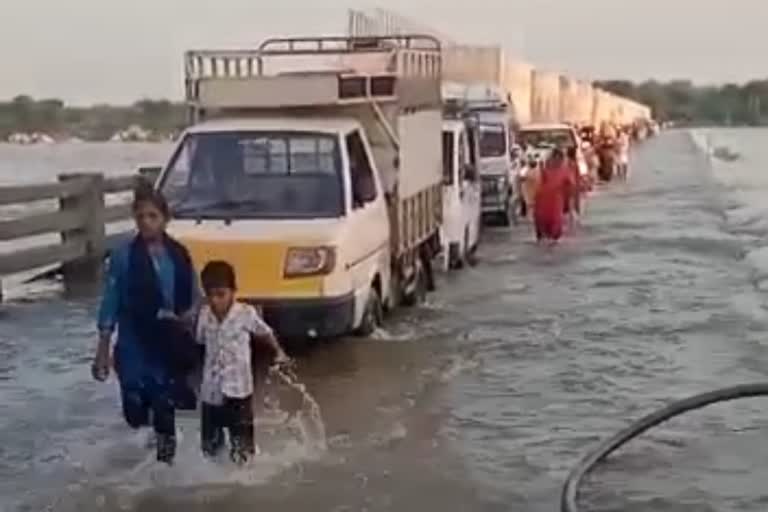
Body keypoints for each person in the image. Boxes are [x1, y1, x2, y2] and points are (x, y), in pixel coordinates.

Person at [92, 184, 201, 465]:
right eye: (140, 217)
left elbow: (194, 299)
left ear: (165, 218)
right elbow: (110, 301)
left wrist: (188, 319)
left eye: (152, 216)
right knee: (134, 408)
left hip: (167, 342)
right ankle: (150, 434)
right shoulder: (123, 256)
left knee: (164, 404)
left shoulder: (179, 255)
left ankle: (164, 475)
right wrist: (102, 349)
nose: (146, 222)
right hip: (133, 342)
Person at [196, 260, 288, 464]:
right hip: (211, 392)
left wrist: (278, 352)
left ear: (233, 291)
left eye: (221, 294)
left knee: (243, 446)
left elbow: (265, 333)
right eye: (210, 295)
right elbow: (200, 340)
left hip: (239, 391)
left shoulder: (246, 314)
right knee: (210, 447)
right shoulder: (204, 315)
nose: (215, 301)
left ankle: (243, 474)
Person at [533, 147, 575, 244]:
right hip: (543, 199)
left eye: (559, 159)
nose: (557, 161)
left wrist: (570, 201)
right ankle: (544, 237)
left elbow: (571, 184)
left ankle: (552, 238)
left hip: (556, 199)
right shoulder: (544, 167)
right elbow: (537, 181)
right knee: (542, 219)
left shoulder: (564, 170)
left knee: (555, 221)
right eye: (555, 158)